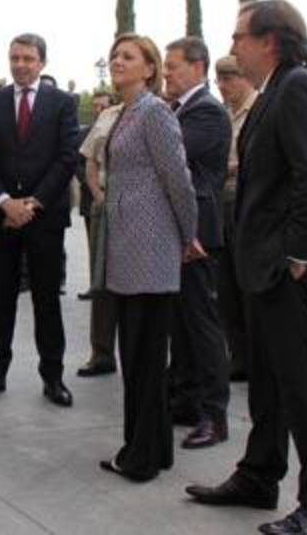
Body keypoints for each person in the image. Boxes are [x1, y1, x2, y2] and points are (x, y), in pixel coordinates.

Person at [187, 0, 307, 535]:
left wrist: (300, 256)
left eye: (239, 37)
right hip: (262, 267)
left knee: (305, 389)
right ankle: (259, 475)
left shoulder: (297, 87)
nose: (231, 47)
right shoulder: (274, 91)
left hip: (289, 271)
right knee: (270, 385)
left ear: (270, 40)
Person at [95, 34, 198, 483]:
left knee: (144, 357)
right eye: (115, 55)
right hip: (127, 249)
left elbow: (179, 179)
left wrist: (188, 235)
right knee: (137, 356)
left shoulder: (154, 112)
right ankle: (151, 450)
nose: (118, 61)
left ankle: (141, 457)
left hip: (150, 249)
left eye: (128, 57)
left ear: (150, 68)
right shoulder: (124, 112)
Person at [0, 33, 78, 408]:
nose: (20, 65)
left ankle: (54, 378)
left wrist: (33, 204)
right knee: (2, 300)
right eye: (14, 58)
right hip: (1, 217)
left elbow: (67, 158)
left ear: (42, 62)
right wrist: (4, 201)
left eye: (28, 59)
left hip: (44, 218)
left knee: (47, 300)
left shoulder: (63, 103)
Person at [163, 37, 232, 451]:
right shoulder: (179, 110)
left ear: (197, 67)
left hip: (200, 232)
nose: (167, 73)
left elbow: (172, 155)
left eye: (173, 66)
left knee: (204, 326)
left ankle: (214, 415)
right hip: (178, 229)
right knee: (182, 323)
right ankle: (185, 400)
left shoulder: (205, 111)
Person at [214, 56, 256, 380]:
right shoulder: (223, 114)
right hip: (221, 204)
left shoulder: (259, 110)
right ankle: (239, 355)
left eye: (228, 79)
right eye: (219, 80)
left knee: (247, 285)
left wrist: (231, 167)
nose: (223, 86)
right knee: (225, 286)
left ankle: (256, 354)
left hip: (247, 205)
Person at [77, 92, 122, 377]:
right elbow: (90, 159)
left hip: (137, 207)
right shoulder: (107, 117)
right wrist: (96, 193)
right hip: (104, 205)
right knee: (101, 281)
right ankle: (102, 352)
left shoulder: (156, 111)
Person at [75, 90, 114, 302]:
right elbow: (78, 163)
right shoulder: (85, 134)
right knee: (93, 243)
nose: (98, 110)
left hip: (115, 195)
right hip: (91, 196)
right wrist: (91, 185)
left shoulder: (119, 128)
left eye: (103, 106)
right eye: (95, 106)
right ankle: (94, 285)